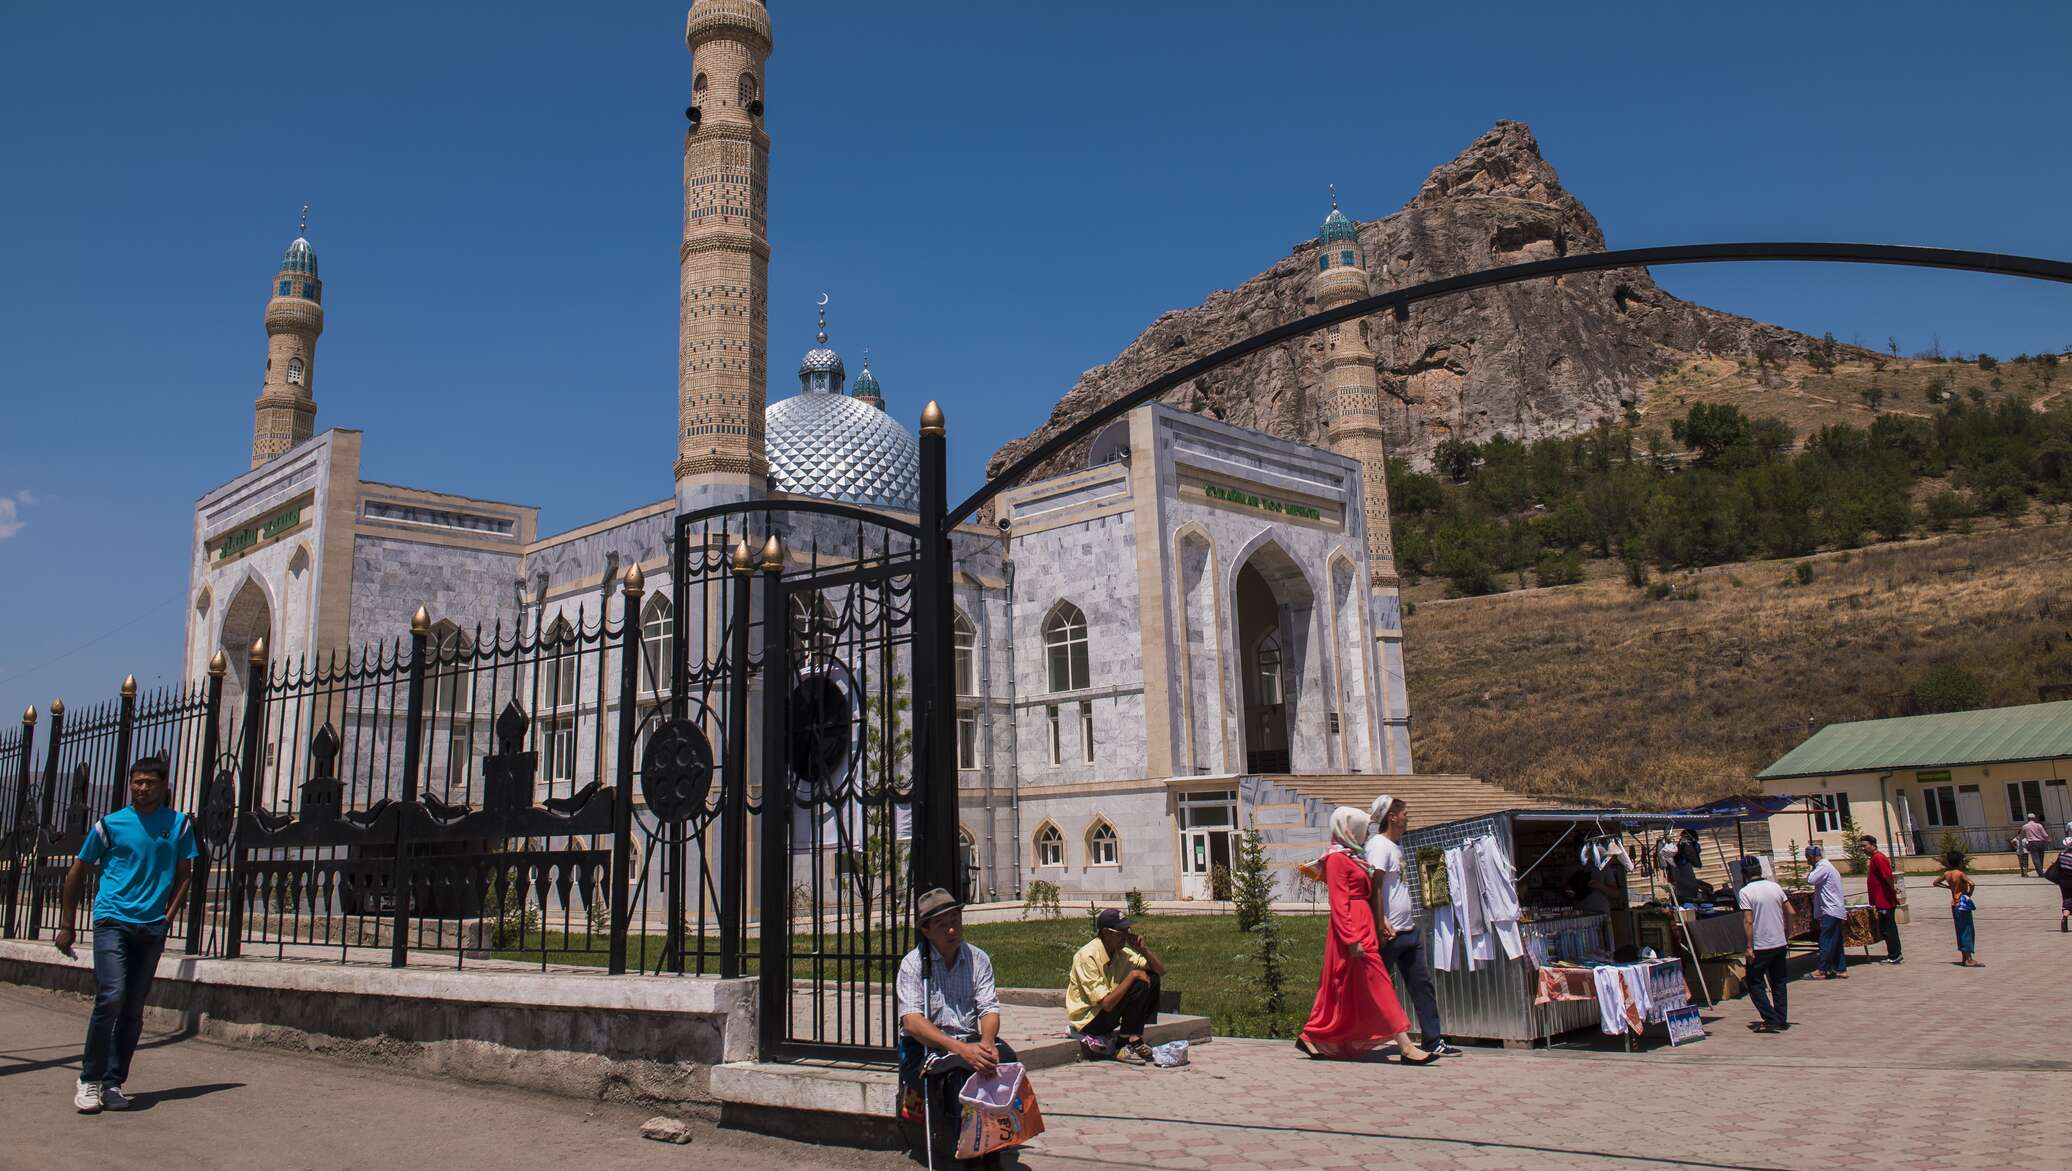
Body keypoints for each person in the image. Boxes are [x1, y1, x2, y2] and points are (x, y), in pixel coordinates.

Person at [55, 754, 199, 1114]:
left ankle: (114, 1082)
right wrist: (67, 924)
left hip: (151, 926)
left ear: (164, 785)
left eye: (149, 782)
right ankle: (89, 1079)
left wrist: (167, 918)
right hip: (112, 920)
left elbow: (186, 875)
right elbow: (76, 873)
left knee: (133, 1008)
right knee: (112, 995)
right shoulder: (110, 825)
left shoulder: (179, 826)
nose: (142, 787)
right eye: (137, 781)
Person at [1295, 807, 1436, 1064]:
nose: (1365, 834)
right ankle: (1405, 1045)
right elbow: (1339, 902)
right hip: (1352, 929)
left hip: (1365, 925)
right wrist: (1351, 939)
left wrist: (1379, 918)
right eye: (1362, 829)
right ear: (1350, 830)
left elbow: (1366, 893)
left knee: (1339, 985)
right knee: (1378, 982)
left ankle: (1311, 1035)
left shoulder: (1353, 857)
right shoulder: (1337, 859)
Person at [895, 888, 1017, 1166]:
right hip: (929, 1044)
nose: (952, 929)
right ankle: (969, 1152)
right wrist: (962, 1051)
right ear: (926, 931)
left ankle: (993, 1145)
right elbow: (912, 1021)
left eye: (955, 920)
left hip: (969, 1038)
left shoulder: (977, 958)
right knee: (959, 1077)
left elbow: (989, 1007)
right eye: (942, 924)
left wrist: (986, 1043)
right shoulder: (913, 965)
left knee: (1006, 1063)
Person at [1365, 794, 1461, 1058]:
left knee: (1422, 985)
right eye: (1404, 813)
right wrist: (1381, 921)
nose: (1408, 817)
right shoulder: (1379, 846)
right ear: (1392, 817)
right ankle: (1335, 1034)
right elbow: (1374, 887)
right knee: (1373, 988)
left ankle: (1432, 1039)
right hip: (1389, 933)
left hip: (1408, 930)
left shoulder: (1397, 846)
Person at [1064, 908, 1166, 1061]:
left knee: (1152, 978)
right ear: (1106, 932)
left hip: (1108, 1013)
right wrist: (1132, 976)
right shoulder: (1087, 956)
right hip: (1090, 1020)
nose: (1126, 936)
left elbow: (1160, 970)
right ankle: (1122, 1045)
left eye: (1128, 931)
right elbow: (1106, 1004)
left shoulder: (1122, 953)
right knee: (1136, 981)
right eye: (1121, 933)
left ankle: (1133, 1038)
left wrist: (1143, 950)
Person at [1737, 858, 1792, 1033]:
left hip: (1761, 945)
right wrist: (1787, 933)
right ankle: (1781, 1018)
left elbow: (1748, 921)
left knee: (1754, 982)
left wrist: (1748, 946)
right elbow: (1791, 911)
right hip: (1779, 942)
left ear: (1744, 873)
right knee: (1779, 981)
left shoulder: (1746, 892)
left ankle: (1770, 1019)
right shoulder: (1775, 887)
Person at [1804, 845, 1848, 979]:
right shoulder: (1828, 866)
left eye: (1808, 858)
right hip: (1835, 909)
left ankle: (1822, 970)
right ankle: (1840, 968)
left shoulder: (1823, 867)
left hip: (1830, 909)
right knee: (1835, 940)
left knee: (1826, 940)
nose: (1807, 861)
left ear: (1812, 857)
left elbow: (1811, 879)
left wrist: (1812, 869)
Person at [1932, 852, 1981, 966]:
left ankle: (1964, 957)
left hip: (1954, 904)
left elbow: (1935, 883)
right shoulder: (1959, 874)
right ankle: (1968, 958)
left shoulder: (1947, 874)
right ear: (1960, 862)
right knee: (1967, 930)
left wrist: (1949, 887)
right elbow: (1972, 883)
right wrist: (1969, 894)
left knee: (1960, 930)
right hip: (1962, 904)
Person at [1861, 835, 1902, 964]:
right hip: (1880, 900)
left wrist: (1893, 889)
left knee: (1888, 928)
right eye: (1861, 846)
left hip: (1885, 900)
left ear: (1872, 845)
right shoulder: (1874, 859)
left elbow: (1887, 876)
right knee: (1886, 928)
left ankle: (1895, 954)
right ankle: (1894, 953)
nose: (1863, 849)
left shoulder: (1878, 858)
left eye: (1864, 845)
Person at [2018, 813, 2050, 878]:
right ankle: (2041, 871)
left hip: (2032, 843)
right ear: (2034, 818)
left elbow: (2021, 836)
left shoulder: (2025, 826)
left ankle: (2040, 872)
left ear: (2028, 819)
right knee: (2041, 857)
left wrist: (2020, 842)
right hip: (2041, 842)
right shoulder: (2039, 825)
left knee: (2035, 858)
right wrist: (2047, 840)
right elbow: (2045, 835)